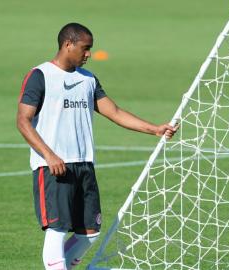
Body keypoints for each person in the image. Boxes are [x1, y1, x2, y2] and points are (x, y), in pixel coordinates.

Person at [16, 22, 178, 270]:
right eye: (85, 48)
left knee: (89, 232)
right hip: (53, 167)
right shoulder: (40, 76)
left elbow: (114, 111)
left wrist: (154, 128)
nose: (89, 54)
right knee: (57, 229)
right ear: (68, 44)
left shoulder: (88, 79)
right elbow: (23, 121)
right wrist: (49, 155)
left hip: (84, 166)